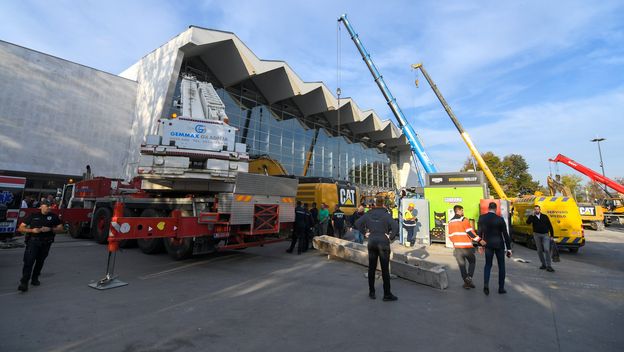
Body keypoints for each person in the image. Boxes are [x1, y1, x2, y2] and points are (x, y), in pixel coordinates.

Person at [355, 197, 399, 301]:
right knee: (384, 270)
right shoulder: (386, 215)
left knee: (371, 268)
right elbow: (396, 226)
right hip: (383, 243)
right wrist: (390, 236)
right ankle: (387, 294)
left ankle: (372, 292)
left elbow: (357, 223)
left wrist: (365, 233)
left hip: (372, 242)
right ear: (383, 204)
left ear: (374, 204)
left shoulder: (368, 214)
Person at [17, 201, 63, 292]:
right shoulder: (33, 216)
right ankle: (24, 282)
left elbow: (61, 229)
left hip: (46, 243)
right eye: (46, 206)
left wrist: (50, 229)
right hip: (33, 242)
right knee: (29, 261)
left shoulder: (53, 216)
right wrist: (32, 230)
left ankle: (35, 278)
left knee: (40, 262)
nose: (48, 207)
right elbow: (21, 228)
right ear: (41, 206)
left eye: (50, 206)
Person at [478, 202, 512, 295]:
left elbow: (479, 232)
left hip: (487, 245)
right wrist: (509, 248)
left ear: (488, 208)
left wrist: (480, 245)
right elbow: (505, 234)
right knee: (501, 266)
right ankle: (501, 288)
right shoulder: (500, 219)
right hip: (499, 245)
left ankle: (486, 284)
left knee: (488, 265)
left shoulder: (482, 218)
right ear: (496, 209)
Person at [448, 205, 485, 289]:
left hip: (457, 248)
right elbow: (470, 233)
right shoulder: (464, 220)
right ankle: (469, 278)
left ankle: (467, 283)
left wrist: (456, 242)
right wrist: (480, 240)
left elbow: (450, 236)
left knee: (462, 265)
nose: (463, 212)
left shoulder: (450, 222)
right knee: (472, 262)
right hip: (467, 247)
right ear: (458, 211)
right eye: (462, 210)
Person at [526, 205, 555, 272]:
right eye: (535, 209)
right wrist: (531, 216)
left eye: (537, 209)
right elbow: (528, 222)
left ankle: (549, 266)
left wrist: (552, 236)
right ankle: (543, 264)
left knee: (547, 249)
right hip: (536, 235)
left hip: (545, 235)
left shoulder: (545, 216)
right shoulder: (532, 217)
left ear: (540, 210)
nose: (536, 210)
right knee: (539, 250)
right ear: (534, 210)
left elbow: (550, 226)